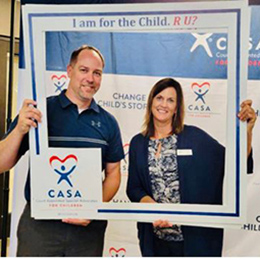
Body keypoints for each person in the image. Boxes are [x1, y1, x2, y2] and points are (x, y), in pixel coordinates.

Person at [0, 45, 124, 256]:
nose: (90, 78)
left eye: (97, 73)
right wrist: (20, 129)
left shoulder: (108, 123)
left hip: (87, 231)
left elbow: (113, 174)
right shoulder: (38, 113)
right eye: (84, 70)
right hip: (40, 228)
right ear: (69, 70)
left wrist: (93, 208)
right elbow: (2, 162)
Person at [126, 78, 256, 257]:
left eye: (170, 100)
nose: (164, 104)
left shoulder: (195, 138)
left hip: (194, 243)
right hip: (155, 242)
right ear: (151, 102)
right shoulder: (137, 143)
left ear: (177, 108)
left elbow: (237, 162)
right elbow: (133, 188)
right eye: (159, 98)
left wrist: (247, 131)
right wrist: (152, 207)